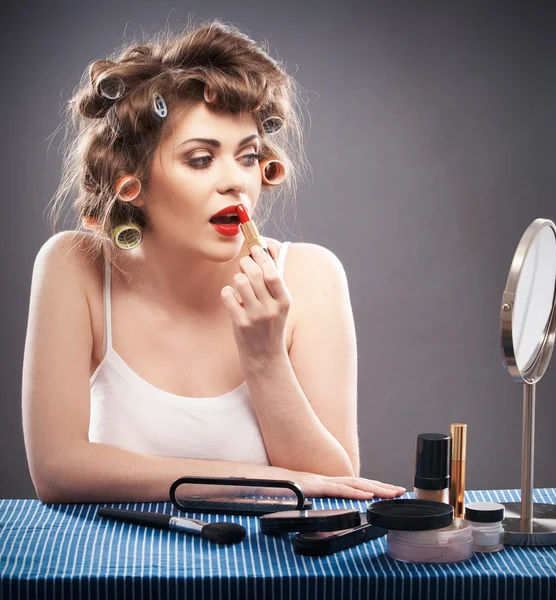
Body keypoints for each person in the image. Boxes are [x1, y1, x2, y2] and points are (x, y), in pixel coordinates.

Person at [22, 19, 405, 504]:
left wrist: (265, 359)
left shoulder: (311, 277)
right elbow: (57, 472)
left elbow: (334, 483)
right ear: (132, 181)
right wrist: (258, 480)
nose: (236, 183)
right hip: (119, 564)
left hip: (268, 570)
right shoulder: (74, 267)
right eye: (201, 159)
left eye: (247, 157)